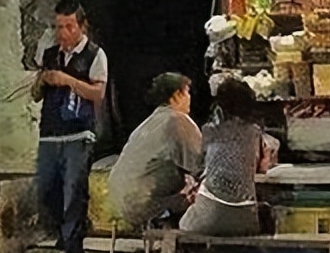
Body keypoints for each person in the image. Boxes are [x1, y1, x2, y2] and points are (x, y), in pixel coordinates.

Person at [33, 0, 108, 253]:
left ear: (81, 26)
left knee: (73, 194)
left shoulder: (95, 55)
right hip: (50, 133)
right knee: (46, 190)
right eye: (58, 27)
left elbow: (97, 94)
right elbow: (35, 95)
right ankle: (67, 234)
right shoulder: (50, 54)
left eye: (68, 27)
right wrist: (42, 80)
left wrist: (67, 80)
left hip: (79, 134)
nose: (62, 33)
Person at [179, 77, 276, 237]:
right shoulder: (254, 132)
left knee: (182, 221)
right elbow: (261, 169)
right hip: (245, 220)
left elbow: (197, 168)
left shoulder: (209, 131)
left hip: (208, 217)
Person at [108, 72, 203, 228]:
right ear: (177, 95)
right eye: (187, 92)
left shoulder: (149, 123)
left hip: (119, 201)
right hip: (145, 204)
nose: (189, 98)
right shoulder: (178, 120)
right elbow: (203, 166)